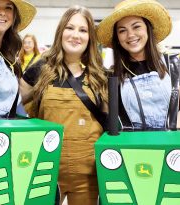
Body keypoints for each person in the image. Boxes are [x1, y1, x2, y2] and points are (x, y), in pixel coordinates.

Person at [20, 5, 108, 205]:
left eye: (83, 30)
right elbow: (14, 108)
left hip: (88, 177)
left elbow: (109, 124)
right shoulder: (40, 70)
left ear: (90, 37)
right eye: (70, 28)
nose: (76, 35)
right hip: (45, 172)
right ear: (61, 31)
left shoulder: (100, 75)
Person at [96, 0, 180, 129]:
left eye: (136, 26)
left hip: (170, 143)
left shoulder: (174, 64)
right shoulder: (112, 75)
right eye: (122, 30)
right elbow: (110, 117)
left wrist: (167, 134)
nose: (130, 35)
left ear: (148, 29)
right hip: (130, 146)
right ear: (117, 38)